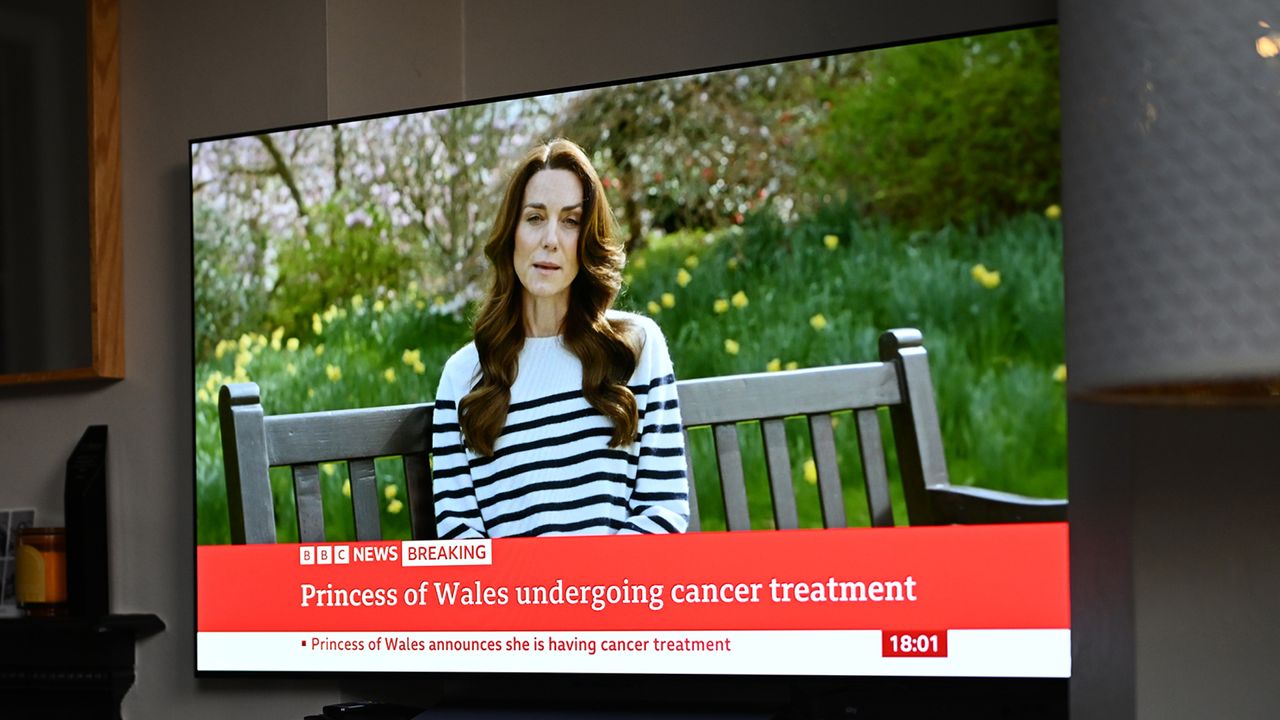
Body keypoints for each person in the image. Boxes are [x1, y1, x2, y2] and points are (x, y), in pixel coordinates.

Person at [431, 139, 689, 539]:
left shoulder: (637, 349)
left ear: (586, 239)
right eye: (534, 218)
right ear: (511, 233)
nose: (550, 238)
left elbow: (663, 509)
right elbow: (458, 534)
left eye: (570, 221)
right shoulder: (464, 376)